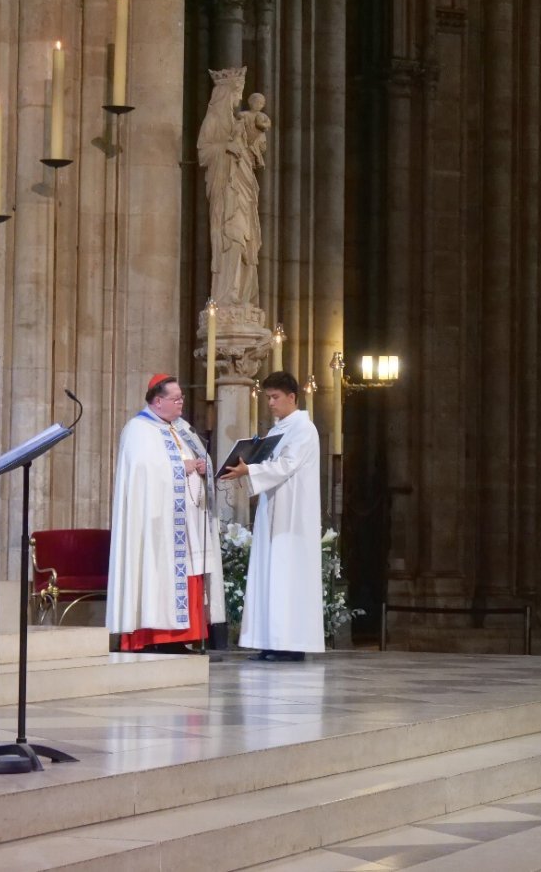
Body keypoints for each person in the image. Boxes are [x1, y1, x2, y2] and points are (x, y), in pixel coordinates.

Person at [106, 374, 225, 652]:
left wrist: (204, 467)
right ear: (158, 401)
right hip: (156, 528)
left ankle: (184, 637)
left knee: (190, 575)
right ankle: (153, 638)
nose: (181, 402)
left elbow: (199, 460)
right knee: (157, 575)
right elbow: (141, 473)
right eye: (176, 398)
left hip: (187, 524)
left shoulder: (182, 429)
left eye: (181, 397)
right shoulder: (138, 430)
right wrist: (179, 468)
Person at [221, 370, 323, 661]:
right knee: (270, 575)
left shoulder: (303, 429)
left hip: (293, 517)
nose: (270, 403)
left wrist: (249, 469)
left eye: (275, 397)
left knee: (287, 576)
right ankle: (269, 640)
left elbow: (286, 465)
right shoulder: (280, 428)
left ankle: (290, 645)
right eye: (267, 398)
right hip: (273, 509)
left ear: (292, 397)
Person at [197, 67, 264, 308]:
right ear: (225, 94)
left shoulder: (239, 124)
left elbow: (254, 154)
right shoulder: (213, 120)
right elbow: (203, 153)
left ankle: (241, 294)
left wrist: (253, 141)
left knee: (246, 244)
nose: (238, 100)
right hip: (225, 192)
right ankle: (227, 295)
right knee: (232, 239)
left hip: (243, 191)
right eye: (236, 94)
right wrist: (226, 147)